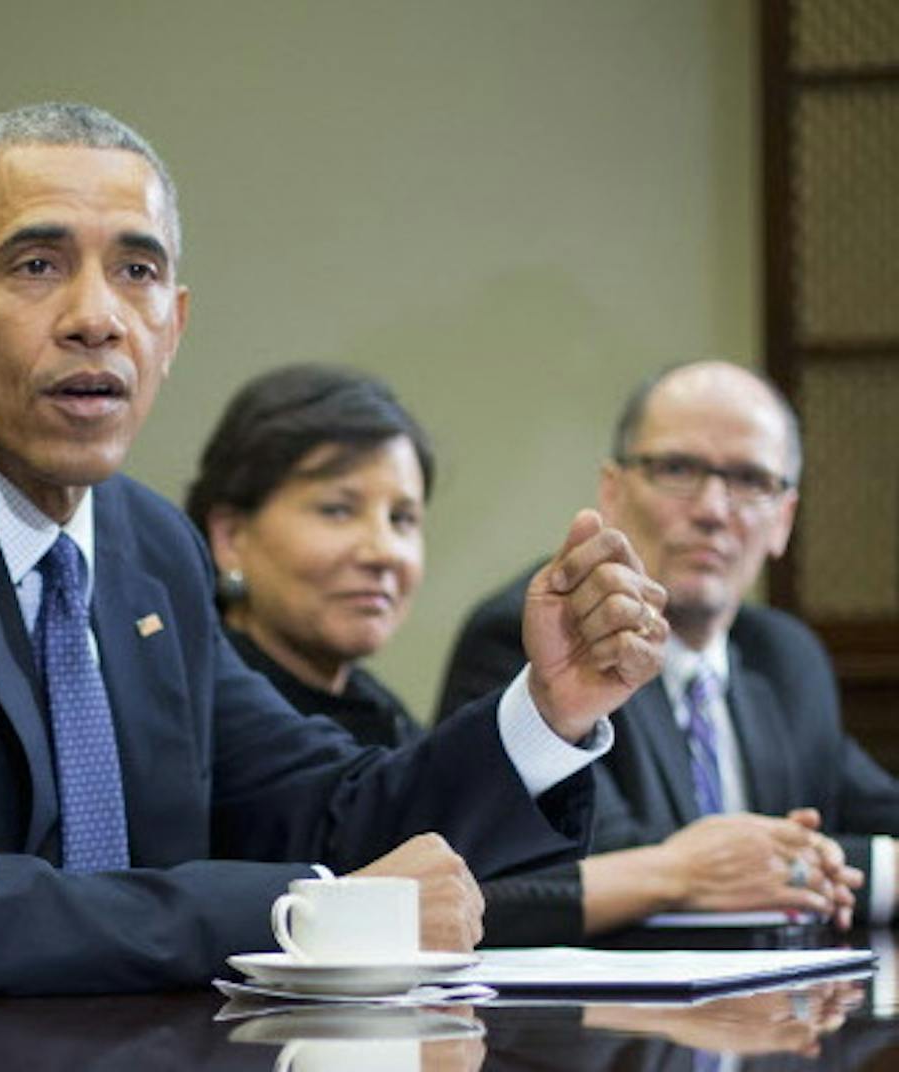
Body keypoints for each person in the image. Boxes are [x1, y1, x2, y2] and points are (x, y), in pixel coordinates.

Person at [0, 102, 672, 1028]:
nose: (96, 316)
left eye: (137, 272)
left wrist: (549, 710)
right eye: (36, 266)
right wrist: (316, 910)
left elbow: (325, 812)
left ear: (175, 327)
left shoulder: (151, 549)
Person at [188, 364, 855, 945]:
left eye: (404, 520)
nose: (382, 551)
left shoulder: (377, 710)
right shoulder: (194, 689)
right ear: (230, 536)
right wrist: (677, 871)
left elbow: (449, 874)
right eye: (337, 510)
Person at [439, 360, 887, 925]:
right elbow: (609, 859)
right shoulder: (544, 638)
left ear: (783, 519)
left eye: (750, 481)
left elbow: (874, 809)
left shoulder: (783, 656)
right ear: (613, 492)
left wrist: (827, 866)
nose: (712, 510)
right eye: (677, 468)